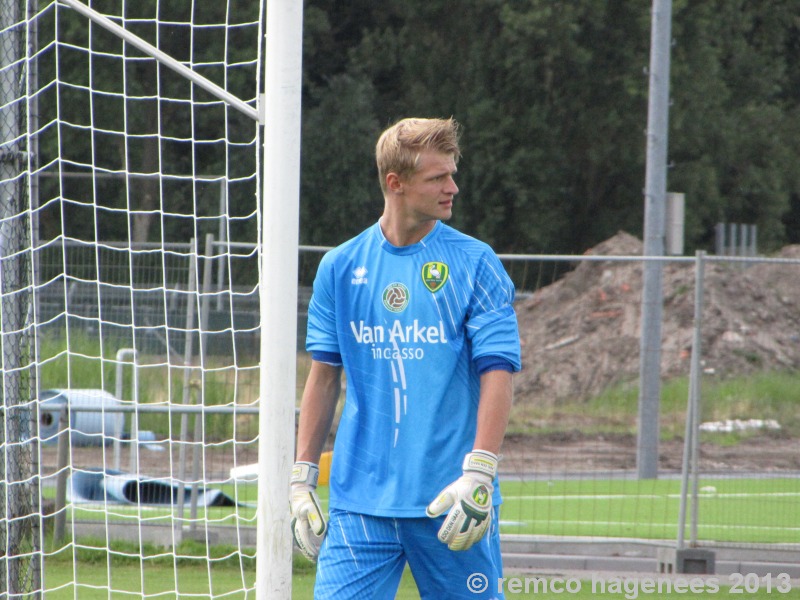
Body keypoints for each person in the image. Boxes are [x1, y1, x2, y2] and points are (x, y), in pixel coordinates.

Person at [290, 117, 521, 599]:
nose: (452, 187)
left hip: (452, 498)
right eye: (438, 177)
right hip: (360, 505)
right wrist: (302, 478)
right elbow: (323, 377)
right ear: (395, 183)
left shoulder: (477, 263)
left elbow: (498, 372)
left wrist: (479, 473)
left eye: (452, 174)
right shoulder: (340, 266)